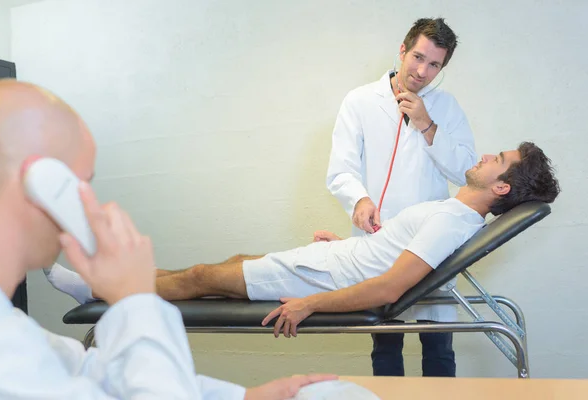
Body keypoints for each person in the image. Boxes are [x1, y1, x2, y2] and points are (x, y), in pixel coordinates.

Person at [0, 79, 336, 399]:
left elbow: (92, 373)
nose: (93, 204)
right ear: (45, 185)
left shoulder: (8, 331)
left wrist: (245, 397)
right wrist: (133, 300)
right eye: (82, 183)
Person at [49, 142, 560, 344]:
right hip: (331, 260)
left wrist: (311, 303)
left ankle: (95, 290)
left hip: (322, 278)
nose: (488, 154)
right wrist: (343, 242)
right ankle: (100, 288)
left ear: (501, 187)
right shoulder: (452, 213)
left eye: (499, 158)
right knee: (219, 268)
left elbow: (388, 289)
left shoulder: (454, 223)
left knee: (202, 278)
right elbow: (391, 259)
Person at [326, 17, 477, 377]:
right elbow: (340, 169)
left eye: (434, 64)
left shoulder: (446, 108)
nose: (423, 71)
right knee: (386, 345)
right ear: (403, 50)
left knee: (439, 348)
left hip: (431, 246)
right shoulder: (360, 101)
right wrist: (359, 200)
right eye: (418, 57)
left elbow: (467, 173)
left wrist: (427, 125)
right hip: (380, 244)